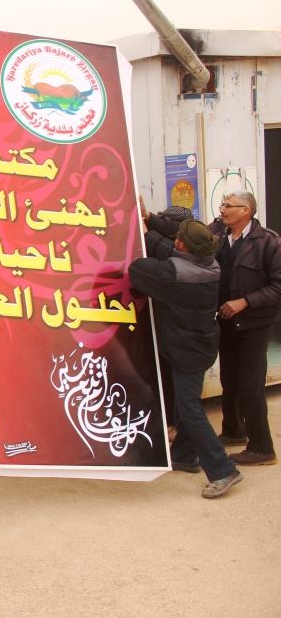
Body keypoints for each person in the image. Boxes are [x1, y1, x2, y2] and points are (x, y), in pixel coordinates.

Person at [130, 213, 242, 497]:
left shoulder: (176, 275)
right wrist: (146, 221)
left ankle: (223, 470)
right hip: (198, 345)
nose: (174, 242)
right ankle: (184, 455)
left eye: (177, 239)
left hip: (188, 350)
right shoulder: (209, 263)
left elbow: (138, 268)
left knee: (190, 409)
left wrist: (142, 234)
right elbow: (169, 251)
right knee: (184, 403)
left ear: (181, 245)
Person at [209, 191, 279, 466]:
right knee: (230, 380)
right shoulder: (218, 236)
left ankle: (262, 448)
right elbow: (187, 235)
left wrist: (245, 301)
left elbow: (278, 287)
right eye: (222, 204)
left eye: (228, 206)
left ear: (246, 210)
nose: (222, 209)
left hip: (254, 325)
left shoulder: (268, 242)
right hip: (226, 322)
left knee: (251, 386)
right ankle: (233, 432)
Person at [142, 203, 196, 437]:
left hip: (182, 333)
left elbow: (164, 255)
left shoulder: (189, 256)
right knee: (163, 374)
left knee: (179, 384)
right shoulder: (166, 245)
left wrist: (147, 225)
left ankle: (178, 428)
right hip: (164, 327)